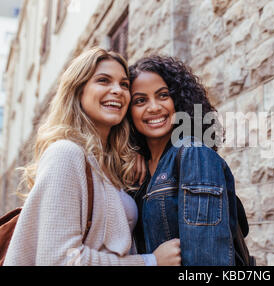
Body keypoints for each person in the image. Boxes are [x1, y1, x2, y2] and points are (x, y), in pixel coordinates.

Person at [4, 48, 181, 266]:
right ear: (79, 91)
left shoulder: (110, 164)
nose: (117, 90)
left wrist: (138, 151)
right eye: (103, 80)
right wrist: (150, 262)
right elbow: (59, 259)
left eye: (124, 84)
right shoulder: (65, 154)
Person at [128, 55, 240, 266]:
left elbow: (207, 262)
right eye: (140, 100)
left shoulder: (194, 154)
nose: (153, 107)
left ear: (178, 100)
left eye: (163, 95)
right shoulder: (137, 171)